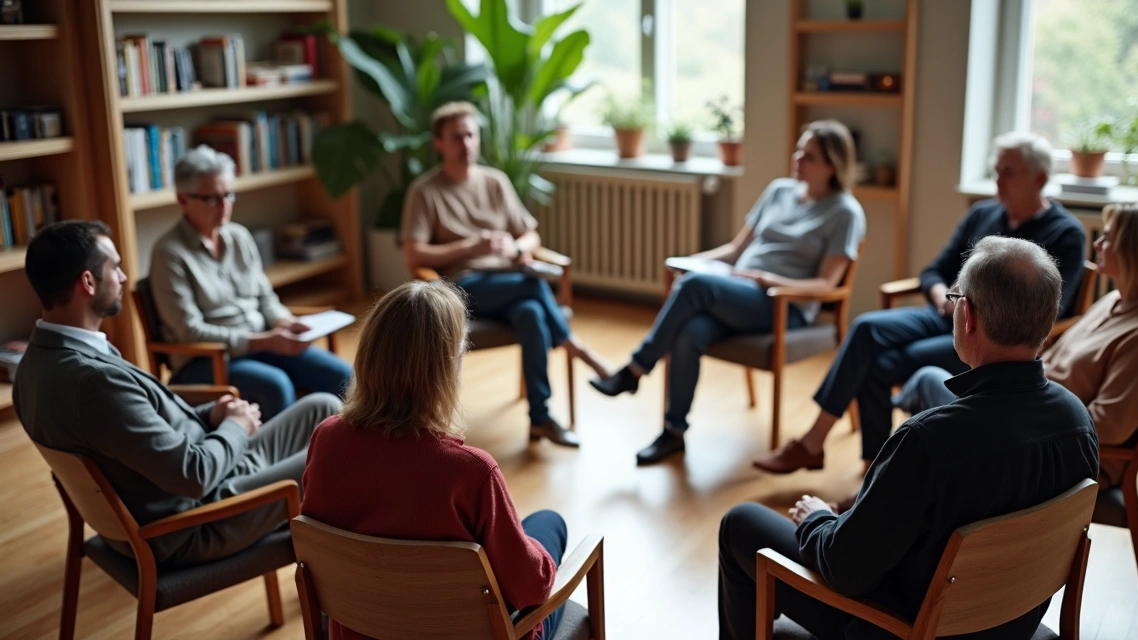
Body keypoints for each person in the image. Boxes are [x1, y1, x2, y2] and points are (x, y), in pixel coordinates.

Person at [718, 236, 1100, 640]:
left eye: (956, 298)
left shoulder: (928, 440)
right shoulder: (1078, 421)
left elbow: (844, 570)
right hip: (1012, 623)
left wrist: (815, 518)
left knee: (740, 524)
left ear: (968, 315)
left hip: (904, 627)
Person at [753, 131, 1088, 473]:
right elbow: (933, 271)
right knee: (866, 327)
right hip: (947, 312)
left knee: (880, 364)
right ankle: (827, 448)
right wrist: (943, 296)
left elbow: (1049, 311)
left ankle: (871, 469)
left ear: (1039, 179)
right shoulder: (982, 214)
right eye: (997, 170)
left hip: (990, 337)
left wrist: (972, 309)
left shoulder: (1065, 233)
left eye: (1008, 172)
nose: (998, 179)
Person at [14, 221, 341, 567]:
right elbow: (193, 476)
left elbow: (134, 437)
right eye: (115, 267)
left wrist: (210, 415)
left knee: (323, 407)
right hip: (197, 520)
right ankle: (345, 580)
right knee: (335, 455)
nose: (124, 277)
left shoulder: (34, 364)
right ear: (88, 282)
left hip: (199, 474)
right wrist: (235, 425)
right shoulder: (94, 382)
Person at [301, 280, 568, 640]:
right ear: (446, 368)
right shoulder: (471, 471)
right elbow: (530, 589)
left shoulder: (327, 439)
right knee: (550, 525)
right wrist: (528, 550)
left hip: (359, 629)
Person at [590, 120, 866, 465]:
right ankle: (673, 432)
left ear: (832, 166)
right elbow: (736, 250)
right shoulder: (779, 191)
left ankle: (634, 370)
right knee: (690, 331)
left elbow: (826, 284)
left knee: (695, 286)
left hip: (784, 305)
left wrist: (768, 280)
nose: (797, 159)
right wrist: (690, 262)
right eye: (798, 151)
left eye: (809, 156)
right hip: (738, 291)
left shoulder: (845, 212)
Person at [894, 202, 1138, 490]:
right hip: (1026, 413)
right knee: (927, 391)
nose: (1097, 244)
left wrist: (1015, 420)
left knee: (924, 400)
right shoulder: (1117, 300)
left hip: (1047, 450)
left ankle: (894, 476)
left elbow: (1109, 426)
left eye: (1108, 237)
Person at [401, 101, 609, 448]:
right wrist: (470, 247)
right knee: (531, 286)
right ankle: (577, 348)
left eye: (471, 135)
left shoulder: (495, 182)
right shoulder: (425, 191)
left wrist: (514, 247)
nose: (466, 144)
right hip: (460, 288)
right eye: (457, 137)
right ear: (439, 143)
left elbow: (530, 236)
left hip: (509, 285)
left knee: (532, 313)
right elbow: (414, 254)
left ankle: (540, 419)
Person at [148, 145, 351, 419]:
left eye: (228, 195)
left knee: (344, 375)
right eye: (212, 198)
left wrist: (284, 322)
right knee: (275, 385)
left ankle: (347, 444)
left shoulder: (240, 237)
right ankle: (286, 448)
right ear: (183, 199)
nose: (224, 206)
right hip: (207, 360)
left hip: (264, 343)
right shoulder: (169, 253)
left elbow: (265, 297)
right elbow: (190, 331)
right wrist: (263, 341)